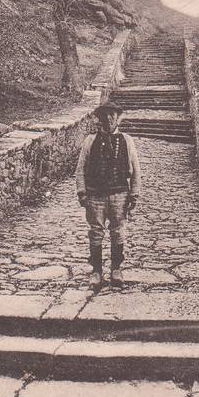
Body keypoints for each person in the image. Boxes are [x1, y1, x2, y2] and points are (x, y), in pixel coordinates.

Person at [75, 102, 141, 292]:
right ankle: (96, 271)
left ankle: (116, 269)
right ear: (99, 118)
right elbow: (80, 169)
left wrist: (134, 194)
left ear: (118, 117)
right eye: (105, 115)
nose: (109, 118)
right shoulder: (90, 141)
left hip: (120, 193)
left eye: (113, 115)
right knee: (96, 232)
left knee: (118, 231)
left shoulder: (127, 140)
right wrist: (82, 192)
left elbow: (136, 169)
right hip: (95, 195)